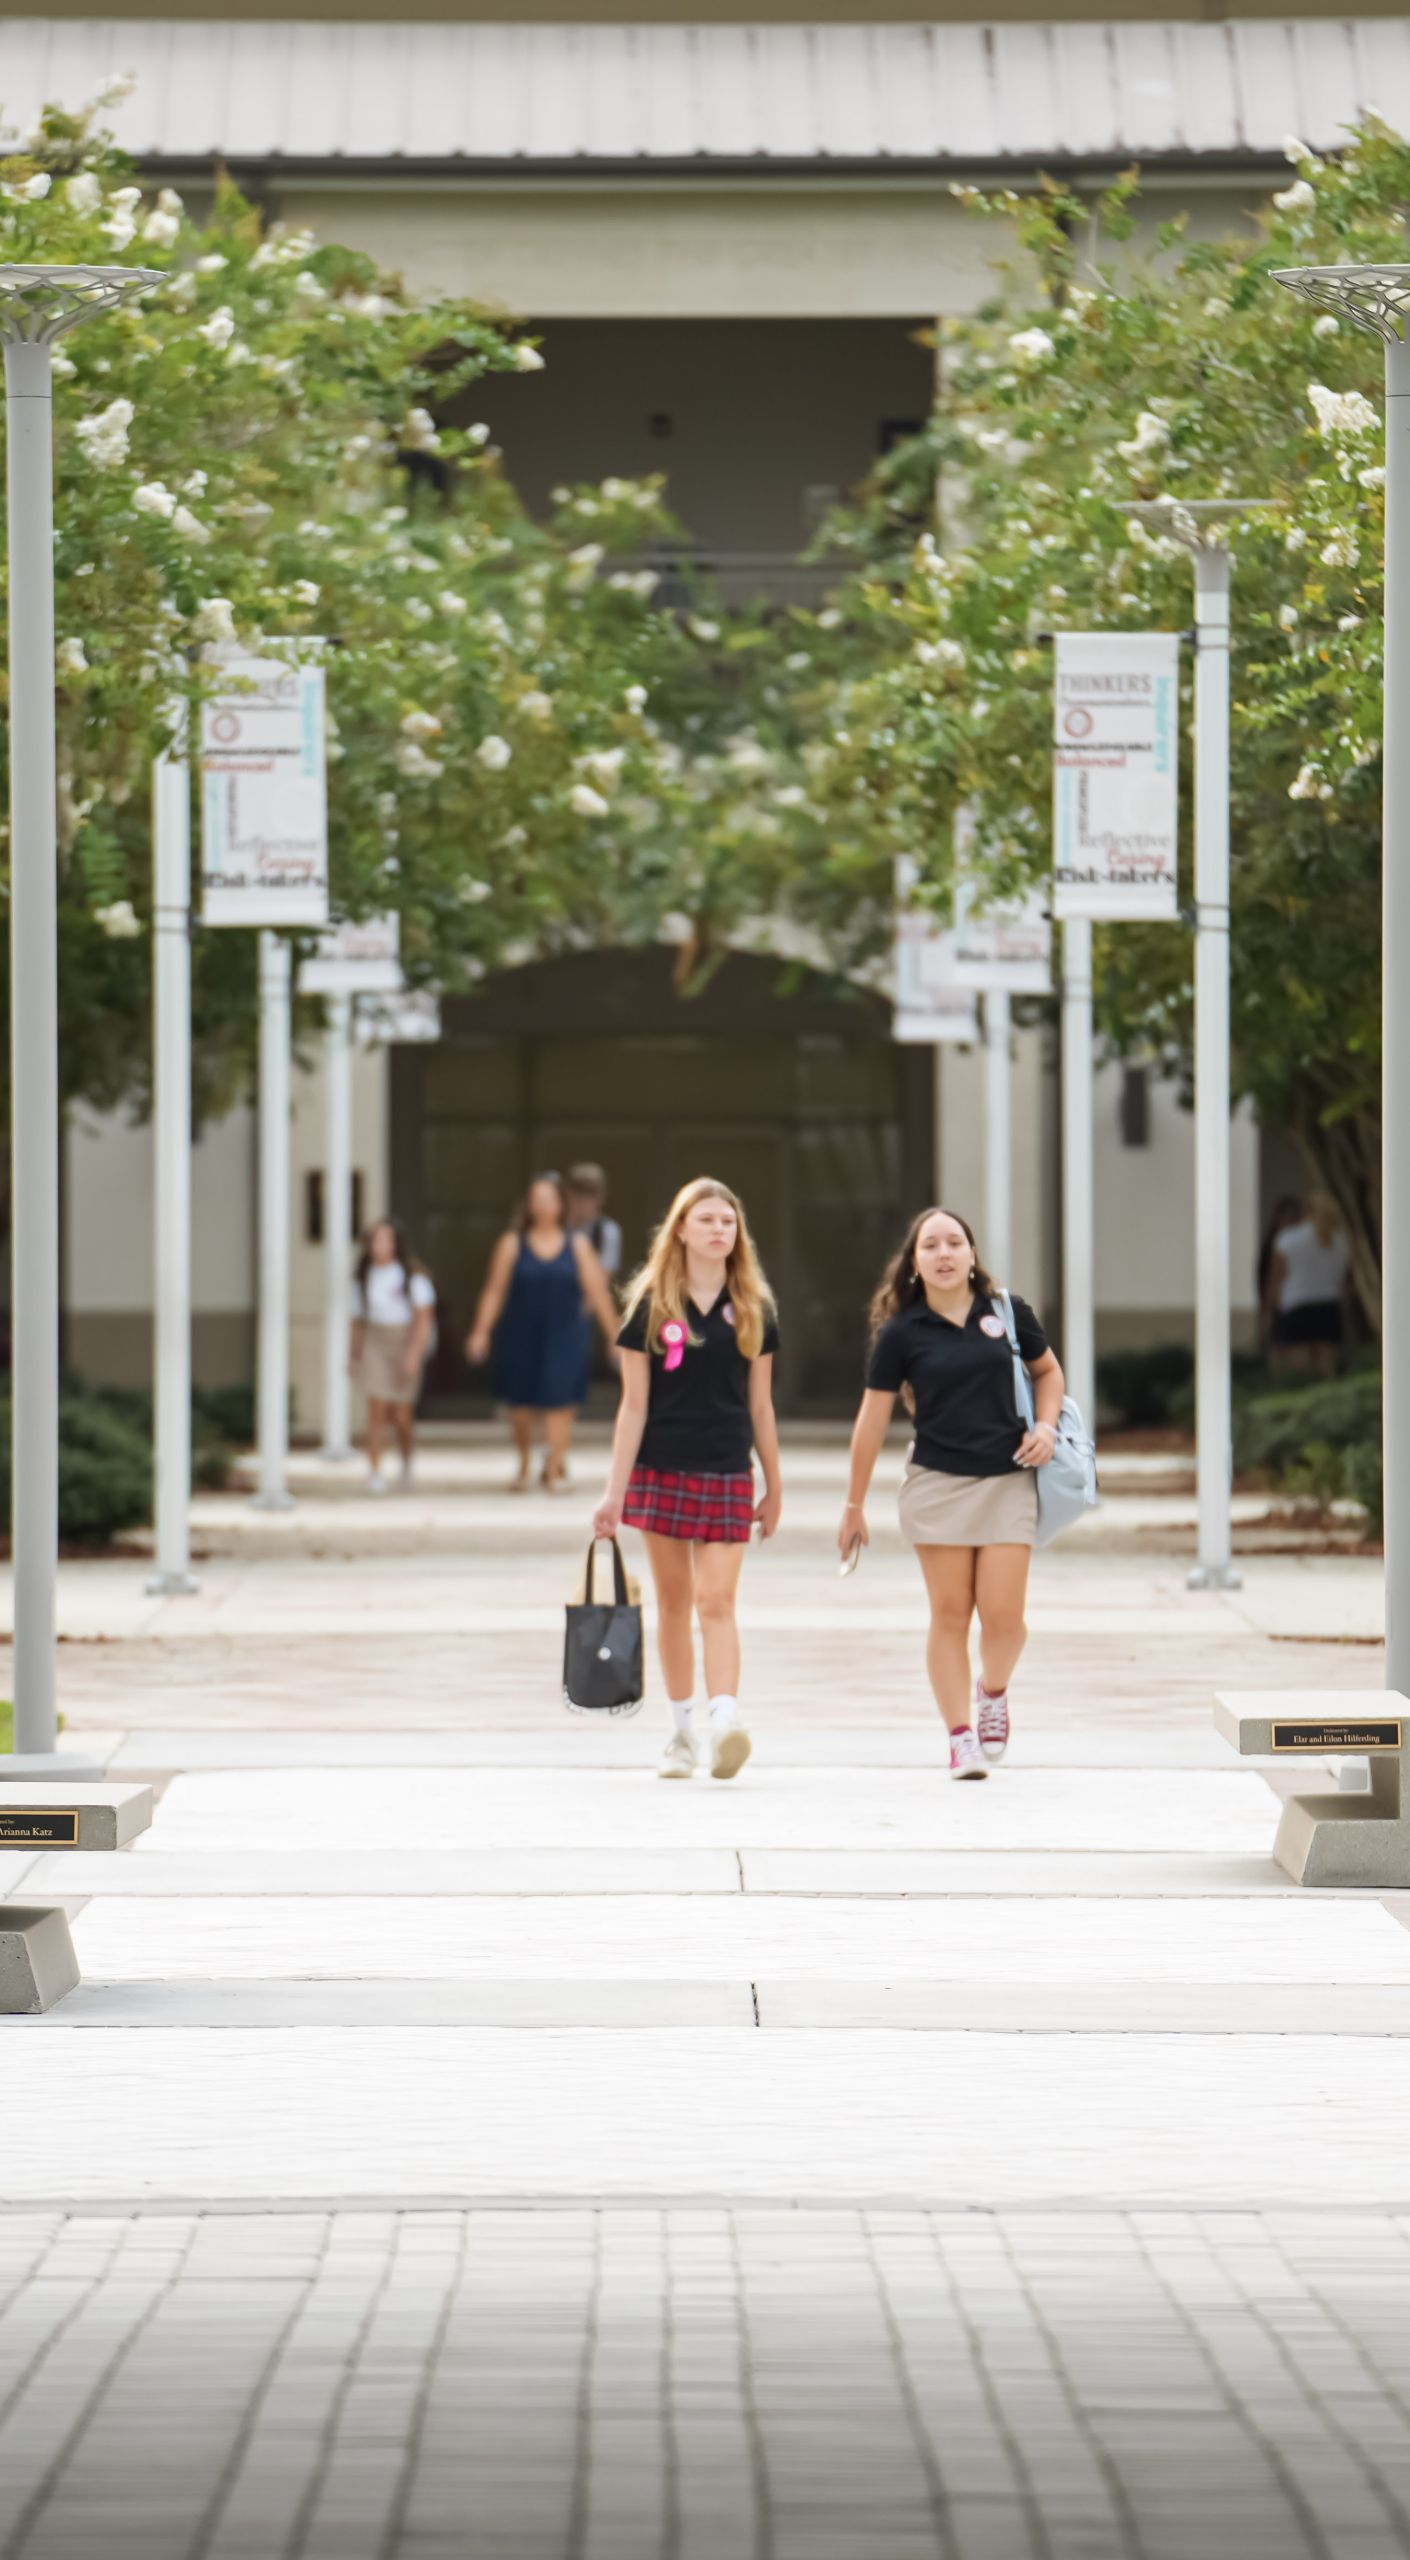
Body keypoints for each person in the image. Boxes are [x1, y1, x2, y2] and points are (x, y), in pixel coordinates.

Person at [838, 1205, 1064, 1782]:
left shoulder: (1008, 1312)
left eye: (954, 1243)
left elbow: (1048, 1373)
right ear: (914, 1263)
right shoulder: (901, 1333)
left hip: (1009, 1480)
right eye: (930, 1245)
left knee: (1007, 1621)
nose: (943, 1253)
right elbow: (870, 1420)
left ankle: (993, 1691)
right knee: (950, 1613)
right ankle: (960, 1737)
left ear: (971, 1255)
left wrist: (1046, 1426)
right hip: (937, 1487)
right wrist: (854, 1504)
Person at [592, 1177, 781, 1782]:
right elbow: (633, 1406)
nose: (719, 1230)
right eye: (706, 1220)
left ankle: (726, 1719)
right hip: (660, 1469)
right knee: (674, 1605)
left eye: (728, 1221)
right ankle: (681, 1734)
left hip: (727, 1469)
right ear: (680, 1230)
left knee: (715, 1601)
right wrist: (612, 1493)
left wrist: (773, 1484)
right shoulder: (650, 1306)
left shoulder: (754, 1307)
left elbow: (761, 1407)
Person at [466, 1172, 619, 1491]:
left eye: (550, 1198)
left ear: (562, 1204)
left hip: (565, 1334)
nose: (544, 1205)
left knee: (560, 1403)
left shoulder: (577, 1245)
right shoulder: (511, 1243)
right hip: (520, 1334)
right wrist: (480, 1331)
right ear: (529, 1205)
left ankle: (554, 1466)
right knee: (519, 1405)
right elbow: (494, 1291)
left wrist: (613, 1336)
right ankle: (524, 1463)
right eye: (538, 1199)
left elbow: (599, 1293)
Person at [348, 1219, 437, 1495]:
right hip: (375, 1341)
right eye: (376, 1240)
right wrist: (353, 1355)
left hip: (403, 1340)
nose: (381, 1246)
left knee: (401, 1414)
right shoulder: (363, 1278)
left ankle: (406, 1459)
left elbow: (423, 1320)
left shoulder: (413, 1277)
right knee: (376, 1408)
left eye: (386, 1240)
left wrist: (413, 1354)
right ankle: (375, 1470)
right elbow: (357, 1321)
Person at [1266, 1188, 1351, 1377]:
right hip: (1330, 1307)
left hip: (1296, 1308)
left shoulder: (1288, 1239)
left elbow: (1276, 1280)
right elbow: (1344, 1279)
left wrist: (1270, 1312)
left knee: (1299, 1375)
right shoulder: (1341, 1241)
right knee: (1327, 1371)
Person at [1257, 1192, 1303, 1357]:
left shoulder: (1293, 1242)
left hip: (1293, 1303)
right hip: (1281, 1304)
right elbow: (1269, 1278)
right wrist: (1268, 1308)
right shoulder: (1277, 1243)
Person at [566, 1162, 623, 1282]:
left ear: (601, 1196)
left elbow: (603, 1278)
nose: (583, 1199)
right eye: (578, 1192)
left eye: (590, 1193)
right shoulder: (553, 1227)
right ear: (567, 1194)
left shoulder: (607, 1231)